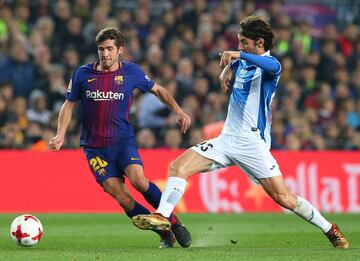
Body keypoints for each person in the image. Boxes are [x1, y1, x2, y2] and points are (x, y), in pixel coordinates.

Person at [132, 16, 349, 249]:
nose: (239, 47)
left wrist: (238, 57)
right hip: (226, 140)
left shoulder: (271, 66)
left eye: (244, 42)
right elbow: (236, 64)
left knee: (283, 198)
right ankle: (164, 217)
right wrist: (226, 70)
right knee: (178, 166)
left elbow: (270, 66)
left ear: (259, 42)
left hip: (252, 143)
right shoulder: (242, 62)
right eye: (238, 42)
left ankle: (330, 229)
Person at [49, 27, 192, 248]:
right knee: (122, 198)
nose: (105, 54)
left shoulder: (131, 72)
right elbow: (69, 105)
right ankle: (164, 234)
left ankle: (173, 221)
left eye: (109, 49)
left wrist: (179, 111)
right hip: (94, 148)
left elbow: (159, 90)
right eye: (101, 49)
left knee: (139, 181)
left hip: (122, 142)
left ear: (120, 50)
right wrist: (60, 134)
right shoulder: (82, 74)